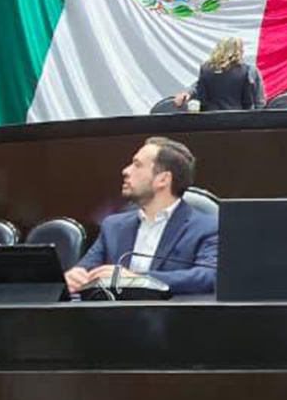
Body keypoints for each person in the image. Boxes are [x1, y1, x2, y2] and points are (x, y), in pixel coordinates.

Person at [64, 137, 217, 295]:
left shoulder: (207, 228)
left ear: (163, 179)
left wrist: (137, 280)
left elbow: (209, 276)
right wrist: (73, 277)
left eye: (137, 165)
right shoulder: (113, 226)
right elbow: (85, 270)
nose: (126, 171)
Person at [175, 38, 261, 111]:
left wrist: (188, 92)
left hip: (210, 119)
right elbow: (259, 102)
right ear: (239, 51)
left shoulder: (206, 69)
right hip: (240, 119)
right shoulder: (249, 71)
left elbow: (200, 91)